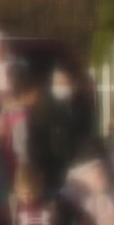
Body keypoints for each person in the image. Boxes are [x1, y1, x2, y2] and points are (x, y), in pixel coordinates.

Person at [8, 65, 75, 195]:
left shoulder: (40, 113)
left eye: (23, 95)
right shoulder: (52, 108)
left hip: (46, 171)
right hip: (53, 170)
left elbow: (51, 145)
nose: (22, 101)